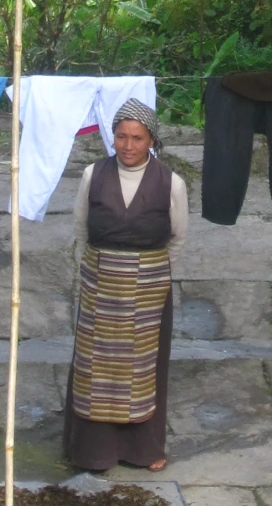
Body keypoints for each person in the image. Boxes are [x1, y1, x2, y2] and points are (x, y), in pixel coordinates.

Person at [62, 98, 187, 473]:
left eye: (137, 138)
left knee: (142, 366)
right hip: (101, 283)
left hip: (149, 288)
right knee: (94, 366)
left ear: (151, 140)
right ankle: (92, 452)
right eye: (121, 137)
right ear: (112, 137)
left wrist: (150, 274)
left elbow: (178, 238)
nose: (128, 146)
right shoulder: (92, 175)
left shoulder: (171, 182)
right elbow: (80, 229)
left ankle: (142, 450)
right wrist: (95, 270)